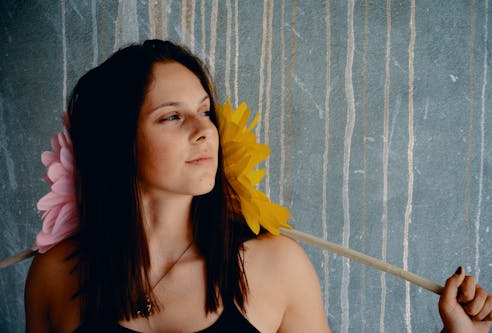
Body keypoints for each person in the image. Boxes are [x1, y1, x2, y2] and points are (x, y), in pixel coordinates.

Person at [24, 39, 491, 333]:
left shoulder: (276, 265)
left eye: (205, 110)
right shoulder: (53, 276)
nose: (205, 130)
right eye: (172, 116)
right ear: (115, 143)